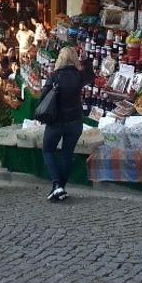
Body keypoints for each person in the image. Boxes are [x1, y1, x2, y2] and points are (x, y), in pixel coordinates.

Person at [37, 47, 92, 202]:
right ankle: (60, 187)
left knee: (48, 150)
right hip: (75, 121)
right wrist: (86, 60)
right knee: (67, 154)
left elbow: (44, 96)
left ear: (60, 59)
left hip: (56, 121)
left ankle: (56, 184)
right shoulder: (79, 76)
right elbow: (90, 75)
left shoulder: (54, 76)